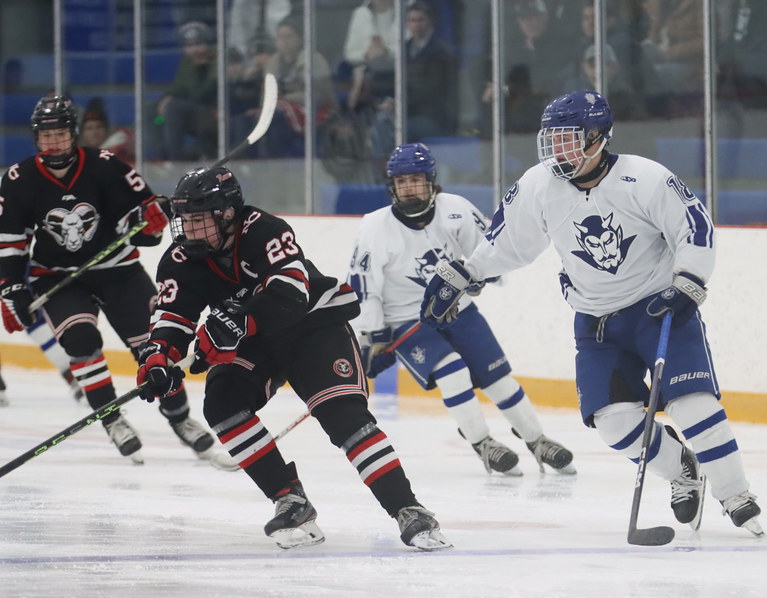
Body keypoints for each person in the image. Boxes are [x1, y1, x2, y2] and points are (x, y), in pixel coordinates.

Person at [420, 90, 764, 536]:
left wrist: (688, 280)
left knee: (693, 405)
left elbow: (693, 224)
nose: (558, 151)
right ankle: (682, 469)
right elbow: (506, 244)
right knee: (615, 426)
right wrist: (463, 274)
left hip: (660, 310)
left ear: (599, 137)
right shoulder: (538, 186)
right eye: (553, 140)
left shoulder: (644, 178)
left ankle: (736, 493)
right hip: (597, 325)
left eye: (570, 139)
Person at [137, 166, 451, 551]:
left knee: (343, 417)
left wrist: (235, 323)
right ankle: (291, 500)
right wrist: (158, 357)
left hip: (312, 326)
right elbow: (173, 316)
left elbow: (289, 295)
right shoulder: (180, 258)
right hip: (255, 341)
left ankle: (408, 508)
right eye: (184, 220)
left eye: (198, 220)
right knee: (222, 404)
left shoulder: (266, 230)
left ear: (227, 214)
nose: (188, 230)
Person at [0, 95, 218, 465]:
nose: (53, 143)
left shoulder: (105, 166)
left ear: (74, 133)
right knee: (81, 340)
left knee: (156, 348)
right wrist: (11, 287)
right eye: (45, 136)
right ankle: (112, 419)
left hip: (119, 270)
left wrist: (148, 225)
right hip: (58, 278)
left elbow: (145, 226)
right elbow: (10, 242)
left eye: (60, 134)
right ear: (36, 138)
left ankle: (181, 419)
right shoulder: (18, 179)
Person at [348, 143, 576, 477]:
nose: (408, 187)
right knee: (452, 372)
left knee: (498, 378)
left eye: (415, 179)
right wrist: (374, 334)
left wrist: (480, 278)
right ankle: (483, 443)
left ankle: (536, 440)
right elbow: (362, 284)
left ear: (431, 181)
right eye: (401, 181)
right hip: (407, 320)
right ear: (392, 186)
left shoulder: (456, 209)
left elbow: (487, 250)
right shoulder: (374, 227)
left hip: (457, 308)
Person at [263, 14, 336, 157]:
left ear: (299, 39)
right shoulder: (272, 63)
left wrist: (288, 99)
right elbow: (266, 95)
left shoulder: (314, 60)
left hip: (313, 113)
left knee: (277, 120)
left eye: (289, 36)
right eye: (281, 37)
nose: (285, 41)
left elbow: (321, 96)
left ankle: (282, 161)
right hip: (281, 112)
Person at [146, 21, 218, 161]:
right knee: (152, 111)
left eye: (198, 44)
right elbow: (178, 88)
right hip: (187, 114)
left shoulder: (217, 62)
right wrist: (166, 98)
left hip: (209, 116)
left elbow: (202, 95)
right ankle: (161, 158)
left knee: (174, 108)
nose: (194, 50)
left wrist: (200, 69)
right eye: (189, 46)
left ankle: (176, 159)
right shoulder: (188, 62)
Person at [404, 2, 458, 142]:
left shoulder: (441, 51)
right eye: (412, 20)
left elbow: (433, 89)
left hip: (431, 116)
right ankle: (385, 163)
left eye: (420, 19)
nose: (416, 24)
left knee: (401, 128)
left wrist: (401, 103)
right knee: (382, 122)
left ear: (431, 21)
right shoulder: (403, 49)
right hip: (406, 111)